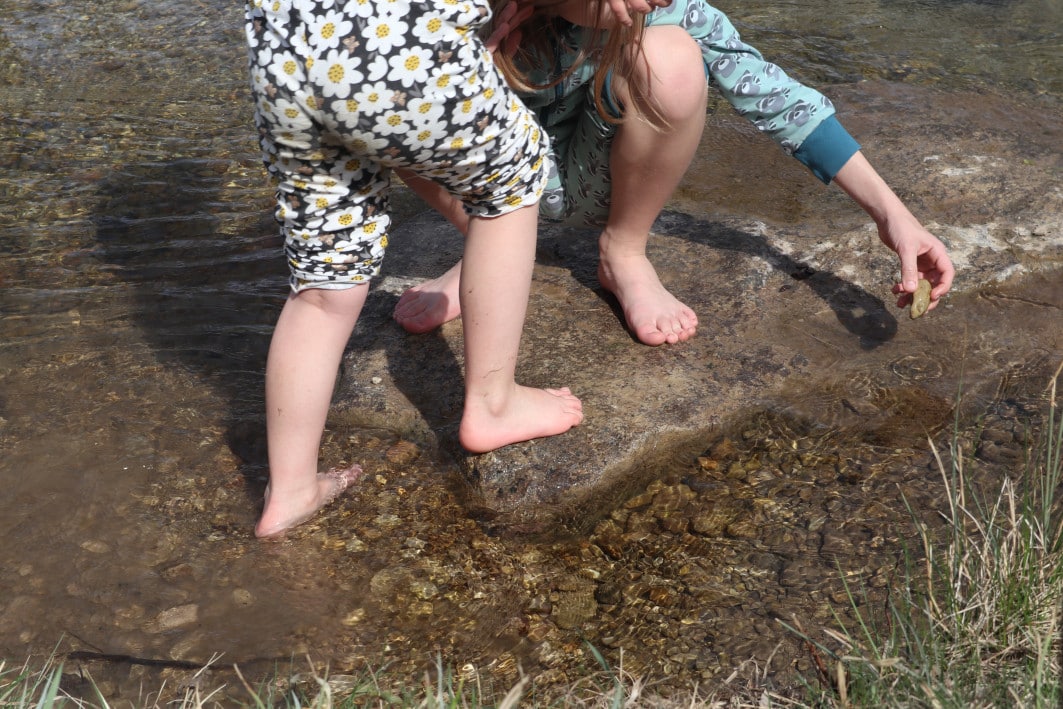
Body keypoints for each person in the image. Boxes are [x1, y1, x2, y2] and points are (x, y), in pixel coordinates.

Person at [392, 0, 956, 346]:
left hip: (593, 183)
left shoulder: (668, 10)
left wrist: (893, 215)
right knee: (389, 87)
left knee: (673, 60)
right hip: (491, 187)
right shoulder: (474, 9)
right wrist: (468, 59)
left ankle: (624, 251)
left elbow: (782, 101)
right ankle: (486, 248)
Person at [244, 0, 588, 538]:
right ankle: (493, 404)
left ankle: (290, 491)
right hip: (399, 45)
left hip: (287, 59)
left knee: (324, 285)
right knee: (512, 181)